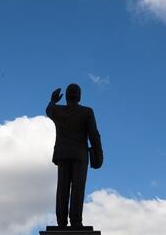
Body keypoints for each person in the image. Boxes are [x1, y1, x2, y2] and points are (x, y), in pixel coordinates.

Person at [46, 83, 103, 228]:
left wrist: (53, 100)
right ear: (79, 96)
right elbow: (94, 135)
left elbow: (49, 110)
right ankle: (76, 221)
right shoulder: (86, 112)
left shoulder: (58, 110)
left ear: (66, 97)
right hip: (79, 155)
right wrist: (99, 154)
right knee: (78, 188)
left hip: (63, 154)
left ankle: (61, 222)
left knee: (62, 188)